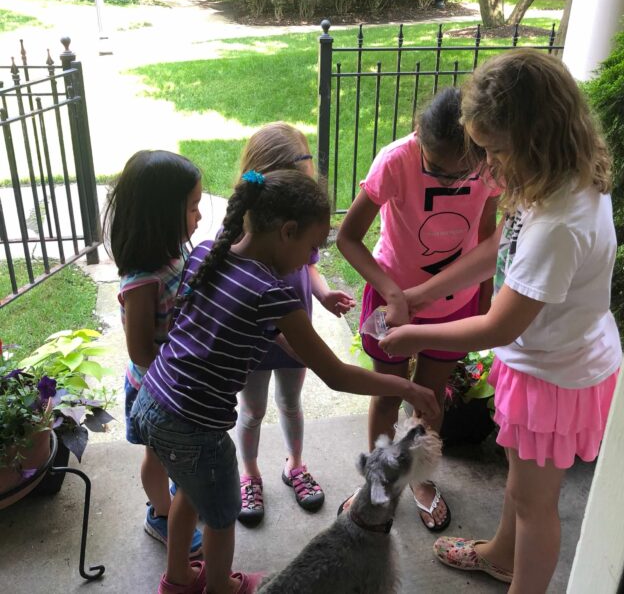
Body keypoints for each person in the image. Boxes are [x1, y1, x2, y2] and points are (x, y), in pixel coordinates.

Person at [378, 49, 622, 594]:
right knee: (520, 483)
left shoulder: (560, 223)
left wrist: (411, 334)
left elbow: (495, 327)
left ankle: (521, 580)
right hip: (540, 360)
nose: (488, 167)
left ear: (536, 137)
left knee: (536, 505)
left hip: (556, 376)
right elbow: (499, 248)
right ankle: (500, 556)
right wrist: (422, 293)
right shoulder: (552, 179)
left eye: (495, 151)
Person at [129, 169, 441, 594]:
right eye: (312, 248)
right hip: (195, 427)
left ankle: (178, 580)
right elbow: (334, 375)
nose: (311, 259)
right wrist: (405, 387)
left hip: (152, 401)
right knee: (221, 515)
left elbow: (245, 328)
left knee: (189, 489)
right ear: (287, 232)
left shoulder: (206, 253)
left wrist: (300, 346)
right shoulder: (273, 294)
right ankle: (221, 587)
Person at [336, 87, 501, 531]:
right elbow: (347, 238)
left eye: (458, 174)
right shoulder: (396, 160)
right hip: (393, 305)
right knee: (387, 393)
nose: (449, 181)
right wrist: (392, 292)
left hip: (456, 306)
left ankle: (419, 479)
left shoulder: (488, 162)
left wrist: (482, 298)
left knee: (430, 400)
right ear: (417, 136)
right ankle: (378, 478)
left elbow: (487, 238)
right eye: (437, 171)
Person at [234, 123, 355, 526]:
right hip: (256, 343)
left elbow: (311, 265)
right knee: (251, 410)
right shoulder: (244, 231)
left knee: (290, 403)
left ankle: (295, 465)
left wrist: (322, 295)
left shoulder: (299, 224)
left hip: (297, 334)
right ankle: (249, 473)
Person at [102, 150, 204, 558]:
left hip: (179, 380)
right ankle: (161, 513)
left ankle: (175, 498)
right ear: (161, 215)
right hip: (157, 390)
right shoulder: (142, 281)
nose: (199, 217)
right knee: (156, 457)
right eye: (193, 207)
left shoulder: (172, 253)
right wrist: (180, 364)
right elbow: (140, 349)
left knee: (176, 457)